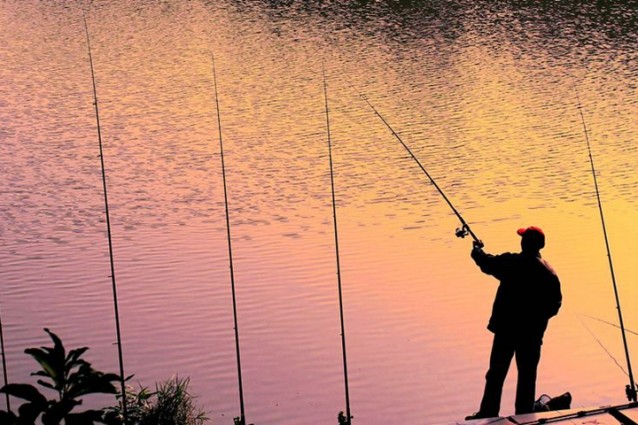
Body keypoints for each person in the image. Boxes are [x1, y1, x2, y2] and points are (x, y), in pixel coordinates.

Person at [466, 226, 562, 420]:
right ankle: (524, 415)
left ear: (523, 243)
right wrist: (536, 321)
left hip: (506, 331)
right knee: (527, 376)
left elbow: (486, 263)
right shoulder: (549, 272)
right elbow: (555, 305)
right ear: (541, 245)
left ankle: (488, 411)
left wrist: (476, 250)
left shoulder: (511, 262)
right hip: (532, 335)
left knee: (496, 374)